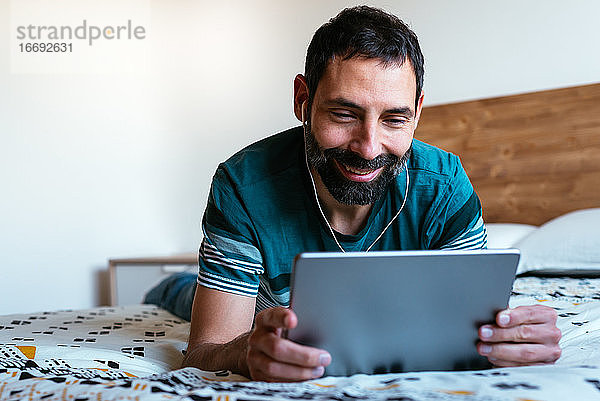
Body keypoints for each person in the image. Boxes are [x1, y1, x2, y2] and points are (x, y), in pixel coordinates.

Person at [158, 6, 561, 382]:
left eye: (395, 119)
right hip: (259, 305)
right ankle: (175, 285)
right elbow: (204, 352)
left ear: (417, 112)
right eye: (344, 114)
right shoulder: (243, 185)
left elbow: (468, 330)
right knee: (181, 293)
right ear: (303, 100)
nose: (368, 148)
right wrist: (245, 351)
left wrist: (510, 339)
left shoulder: (445, 185)